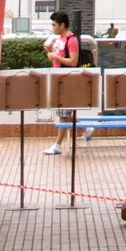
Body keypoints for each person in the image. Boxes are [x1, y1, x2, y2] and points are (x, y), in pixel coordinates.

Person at [44, 11, 81, 155]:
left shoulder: (71, 40)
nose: (52, 28)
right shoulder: (59, 39)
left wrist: (55, 57)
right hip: (59, 78)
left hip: (66, 80)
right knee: (63, 112)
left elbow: (73, 61)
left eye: (54, 25)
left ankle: (58, 145)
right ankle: (86, 128)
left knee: (63, 113)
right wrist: (50, 53)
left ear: (62, 25)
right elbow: (56, 59)